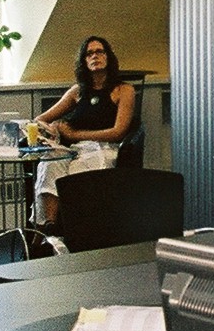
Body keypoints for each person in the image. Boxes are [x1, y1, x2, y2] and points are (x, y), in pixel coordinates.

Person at [31, 35, 136, 226]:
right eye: (89, 53)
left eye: (99, 52)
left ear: (108, 57)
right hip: (74, 149)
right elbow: (40, 120)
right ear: (84, 61)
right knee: (49, 163)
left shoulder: (124, 90)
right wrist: (51, 130)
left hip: (104, 148)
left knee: (77, 170)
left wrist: (74, 134)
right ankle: (48, 228)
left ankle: (78, 230)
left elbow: (118, 132)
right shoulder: (77, 91)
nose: (95, 56)